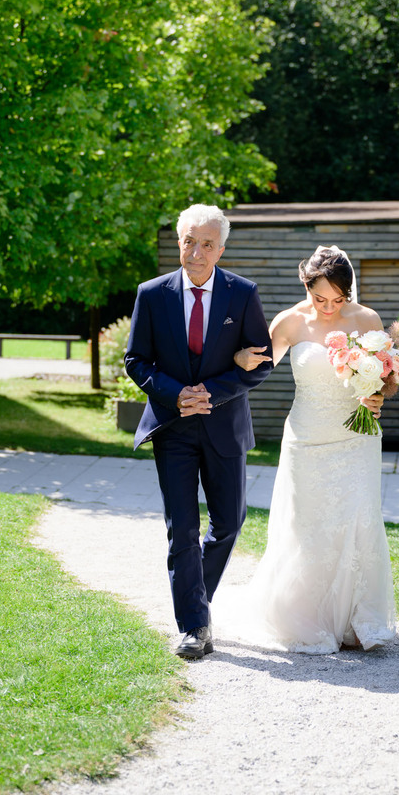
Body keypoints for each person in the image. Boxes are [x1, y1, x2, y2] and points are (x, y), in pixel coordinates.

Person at [125, 204, 273, 660]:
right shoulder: (151, 294)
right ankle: (194, 626)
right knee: (183, 530)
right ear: (179, 242)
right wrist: (176, 395)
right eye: (190, 240)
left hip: (225, 425)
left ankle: (195, 601)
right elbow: (136, 361)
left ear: (221, 249)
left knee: (229, 522)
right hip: (172, 427)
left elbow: (260, 360)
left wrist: (208, 391)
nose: (197, 250)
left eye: (207, 243)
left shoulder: (242, 294)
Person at [231, 244, 396, 653]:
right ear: (306, 287)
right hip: (306, 438)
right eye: (320, 298)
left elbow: (383, 379)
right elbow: (257, 365)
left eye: (338, 299)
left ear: (349, 292)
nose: (329, 307)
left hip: (356, 439)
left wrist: (378, 396)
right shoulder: (289, 322)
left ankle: (356, 619)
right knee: (308, 525)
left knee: (358, 521)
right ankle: (308, 617)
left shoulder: (367, 319)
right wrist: (238, 356)